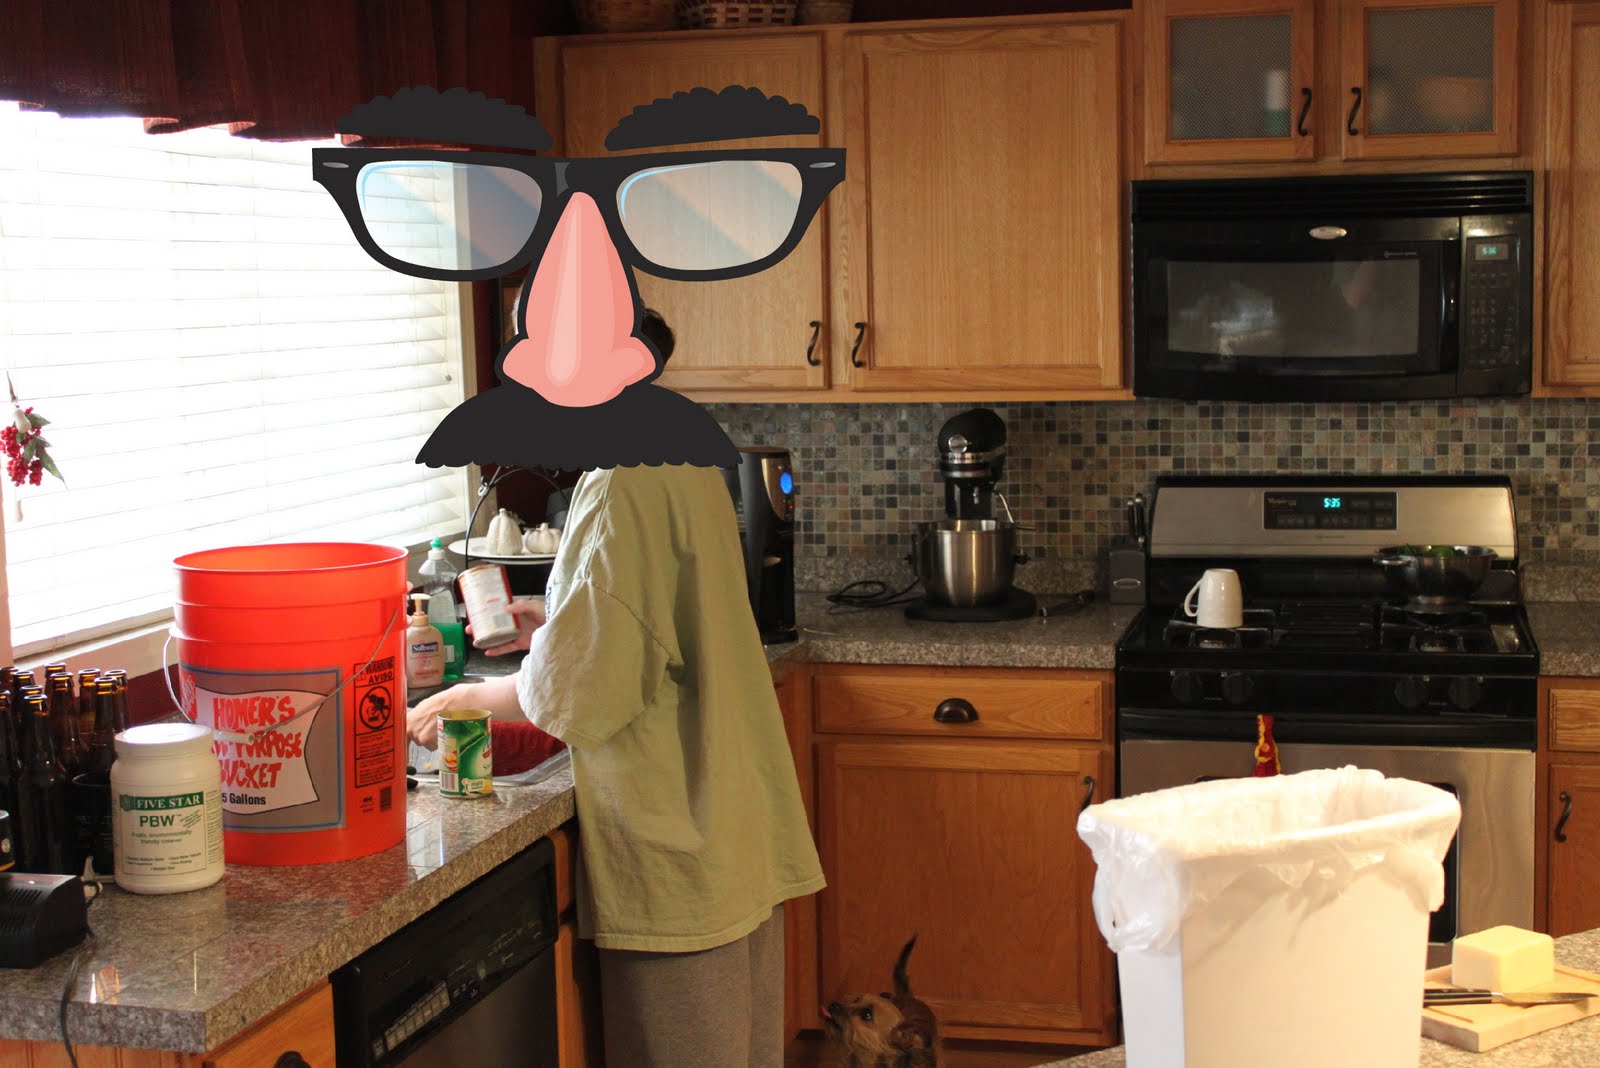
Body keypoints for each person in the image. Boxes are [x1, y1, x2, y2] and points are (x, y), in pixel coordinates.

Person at [407, 309, 822, 1067]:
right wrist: (556, 619)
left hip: (676, 842)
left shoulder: (617, 485)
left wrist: (467, 698)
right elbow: (650, 615)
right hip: (729, 826)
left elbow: (582, 693)